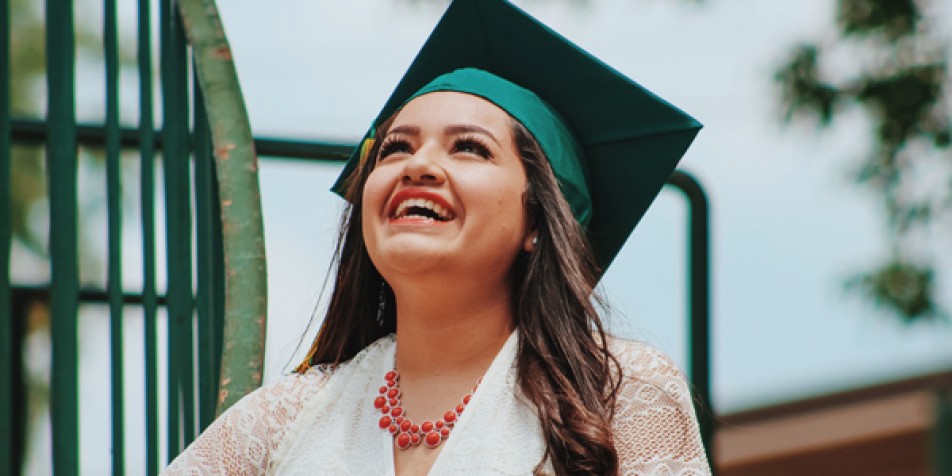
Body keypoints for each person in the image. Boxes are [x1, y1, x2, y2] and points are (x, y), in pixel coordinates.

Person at [164, 0, 709, 474]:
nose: (417, 166)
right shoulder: (283, 420)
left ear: (539, 222)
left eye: (469, 148)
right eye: (395, 148)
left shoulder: (619, 396)